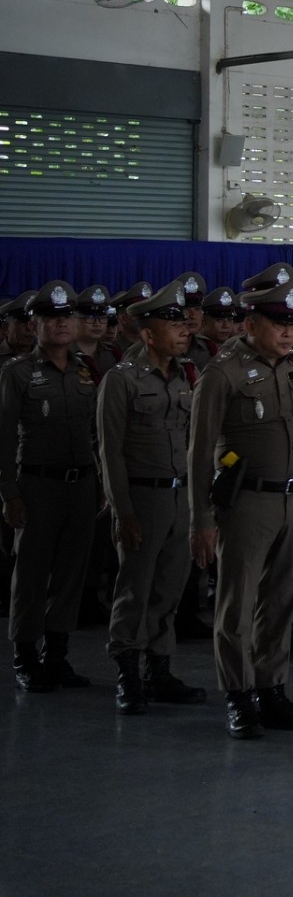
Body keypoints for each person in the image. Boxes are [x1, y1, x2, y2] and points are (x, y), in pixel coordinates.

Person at [190, 280, 293, 739]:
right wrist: (201, 519)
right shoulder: (222, 373)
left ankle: (271, 688)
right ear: (250, 324)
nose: (288, 332)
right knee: (238, 605)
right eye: (278, 323)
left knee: (282, 602)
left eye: (292, 323)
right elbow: (200, 451)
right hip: (246, 503)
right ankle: (239, 695)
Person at [96, 282, 207, 714]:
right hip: (142, 498)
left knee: (168, 590)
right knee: (134, 590)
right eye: (173, 325)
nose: (184, 332)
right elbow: (110, 451)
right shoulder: (121, 379)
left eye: (184, 325)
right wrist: (122, 510)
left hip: (181, 497)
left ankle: (158, 671)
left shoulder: (186, 376)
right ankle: (127, 673)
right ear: (147, 334)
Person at [0, 282, 101, 692]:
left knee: (70, 575)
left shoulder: (85, 370)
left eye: (67, 317)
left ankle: (56, 656)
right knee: (30, 574)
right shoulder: (18, 372)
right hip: (37, 486)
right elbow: (4, 438)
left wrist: (100, 484)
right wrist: (9, 493)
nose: (62, 324)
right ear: (35, 325)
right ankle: (25, 657)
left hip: (81, 484)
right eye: (52, 317)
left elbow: (96, 434)